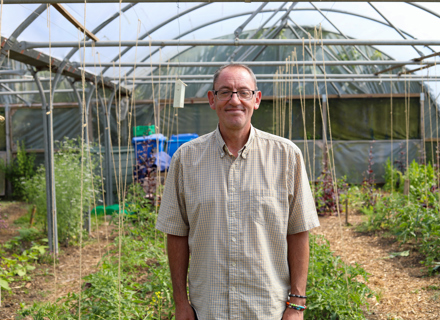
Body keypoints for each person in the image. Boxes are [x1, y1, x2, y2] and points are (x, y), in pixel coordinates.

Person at [156, 64, 320, 320]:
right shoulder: (186, 159)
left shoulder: (286, 156)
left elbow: (298, 231)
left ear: (256, 99)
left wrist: (296, 305)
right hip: (208, 309)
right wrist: (180, 302)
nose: (235, 100)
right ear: (212, 100)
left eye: (244, 92)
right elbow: (176, 233)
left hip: (268, 309)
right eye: (225, 92)